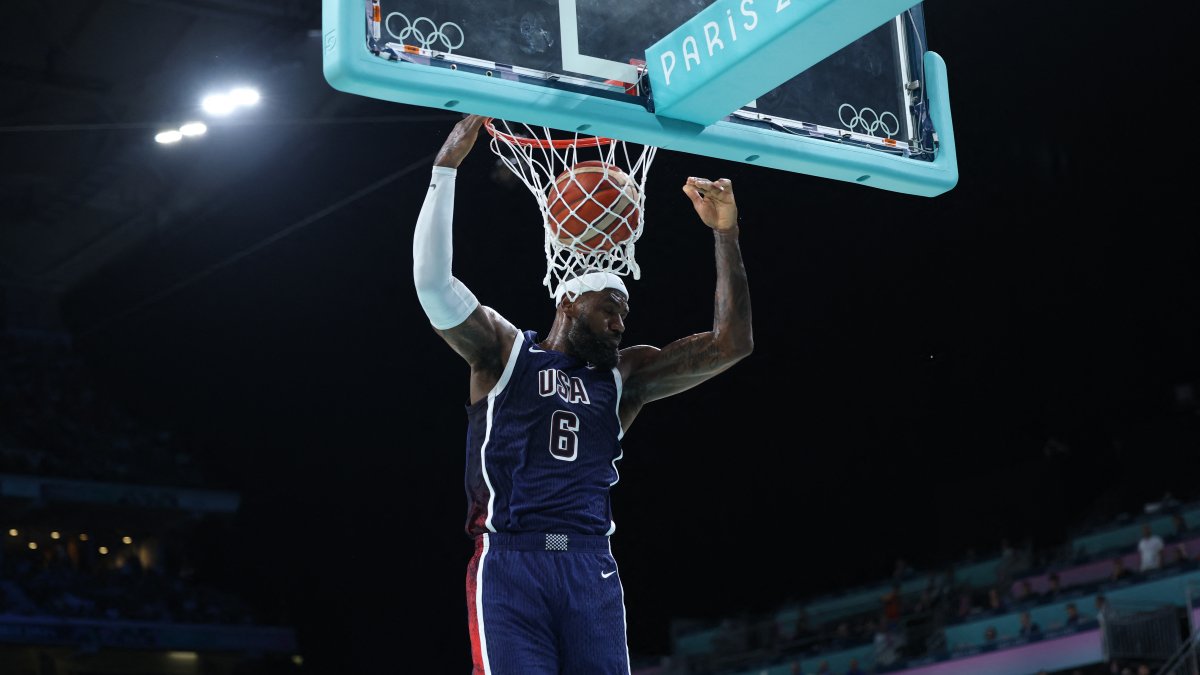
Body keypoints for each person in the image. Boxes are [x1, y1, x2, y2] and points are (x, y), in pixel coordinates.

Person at [413, 114, 754, 674]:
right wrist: (445, 170)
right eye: (609, 310)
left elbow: (730, 344)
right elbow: (433, 285)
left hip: (590, 565)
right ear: (569, 303)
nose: (620, 323)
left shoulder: (626, 378)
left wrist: (725, 233)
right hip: (511, 561)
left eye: (624, 313)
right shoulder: (505, 353)